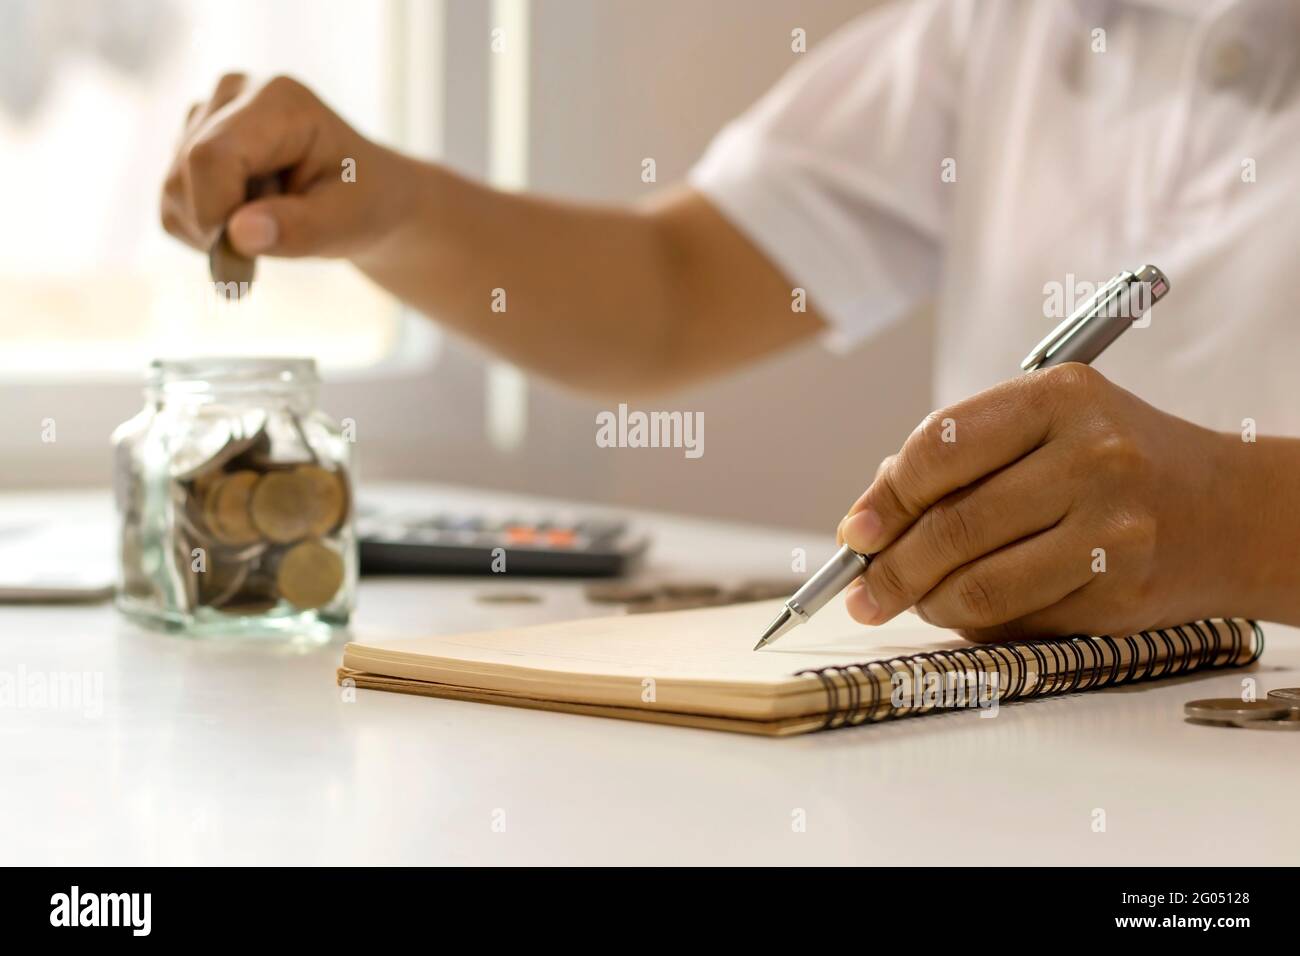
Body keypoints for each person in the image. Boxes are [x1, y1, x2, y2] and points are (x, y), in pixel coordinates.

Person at [160, 0, 1300, 642]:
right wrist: (388, 202)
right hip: (1040, 757)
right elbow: (672, 292)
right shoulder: (1005, 24)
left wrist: (1233, 522)